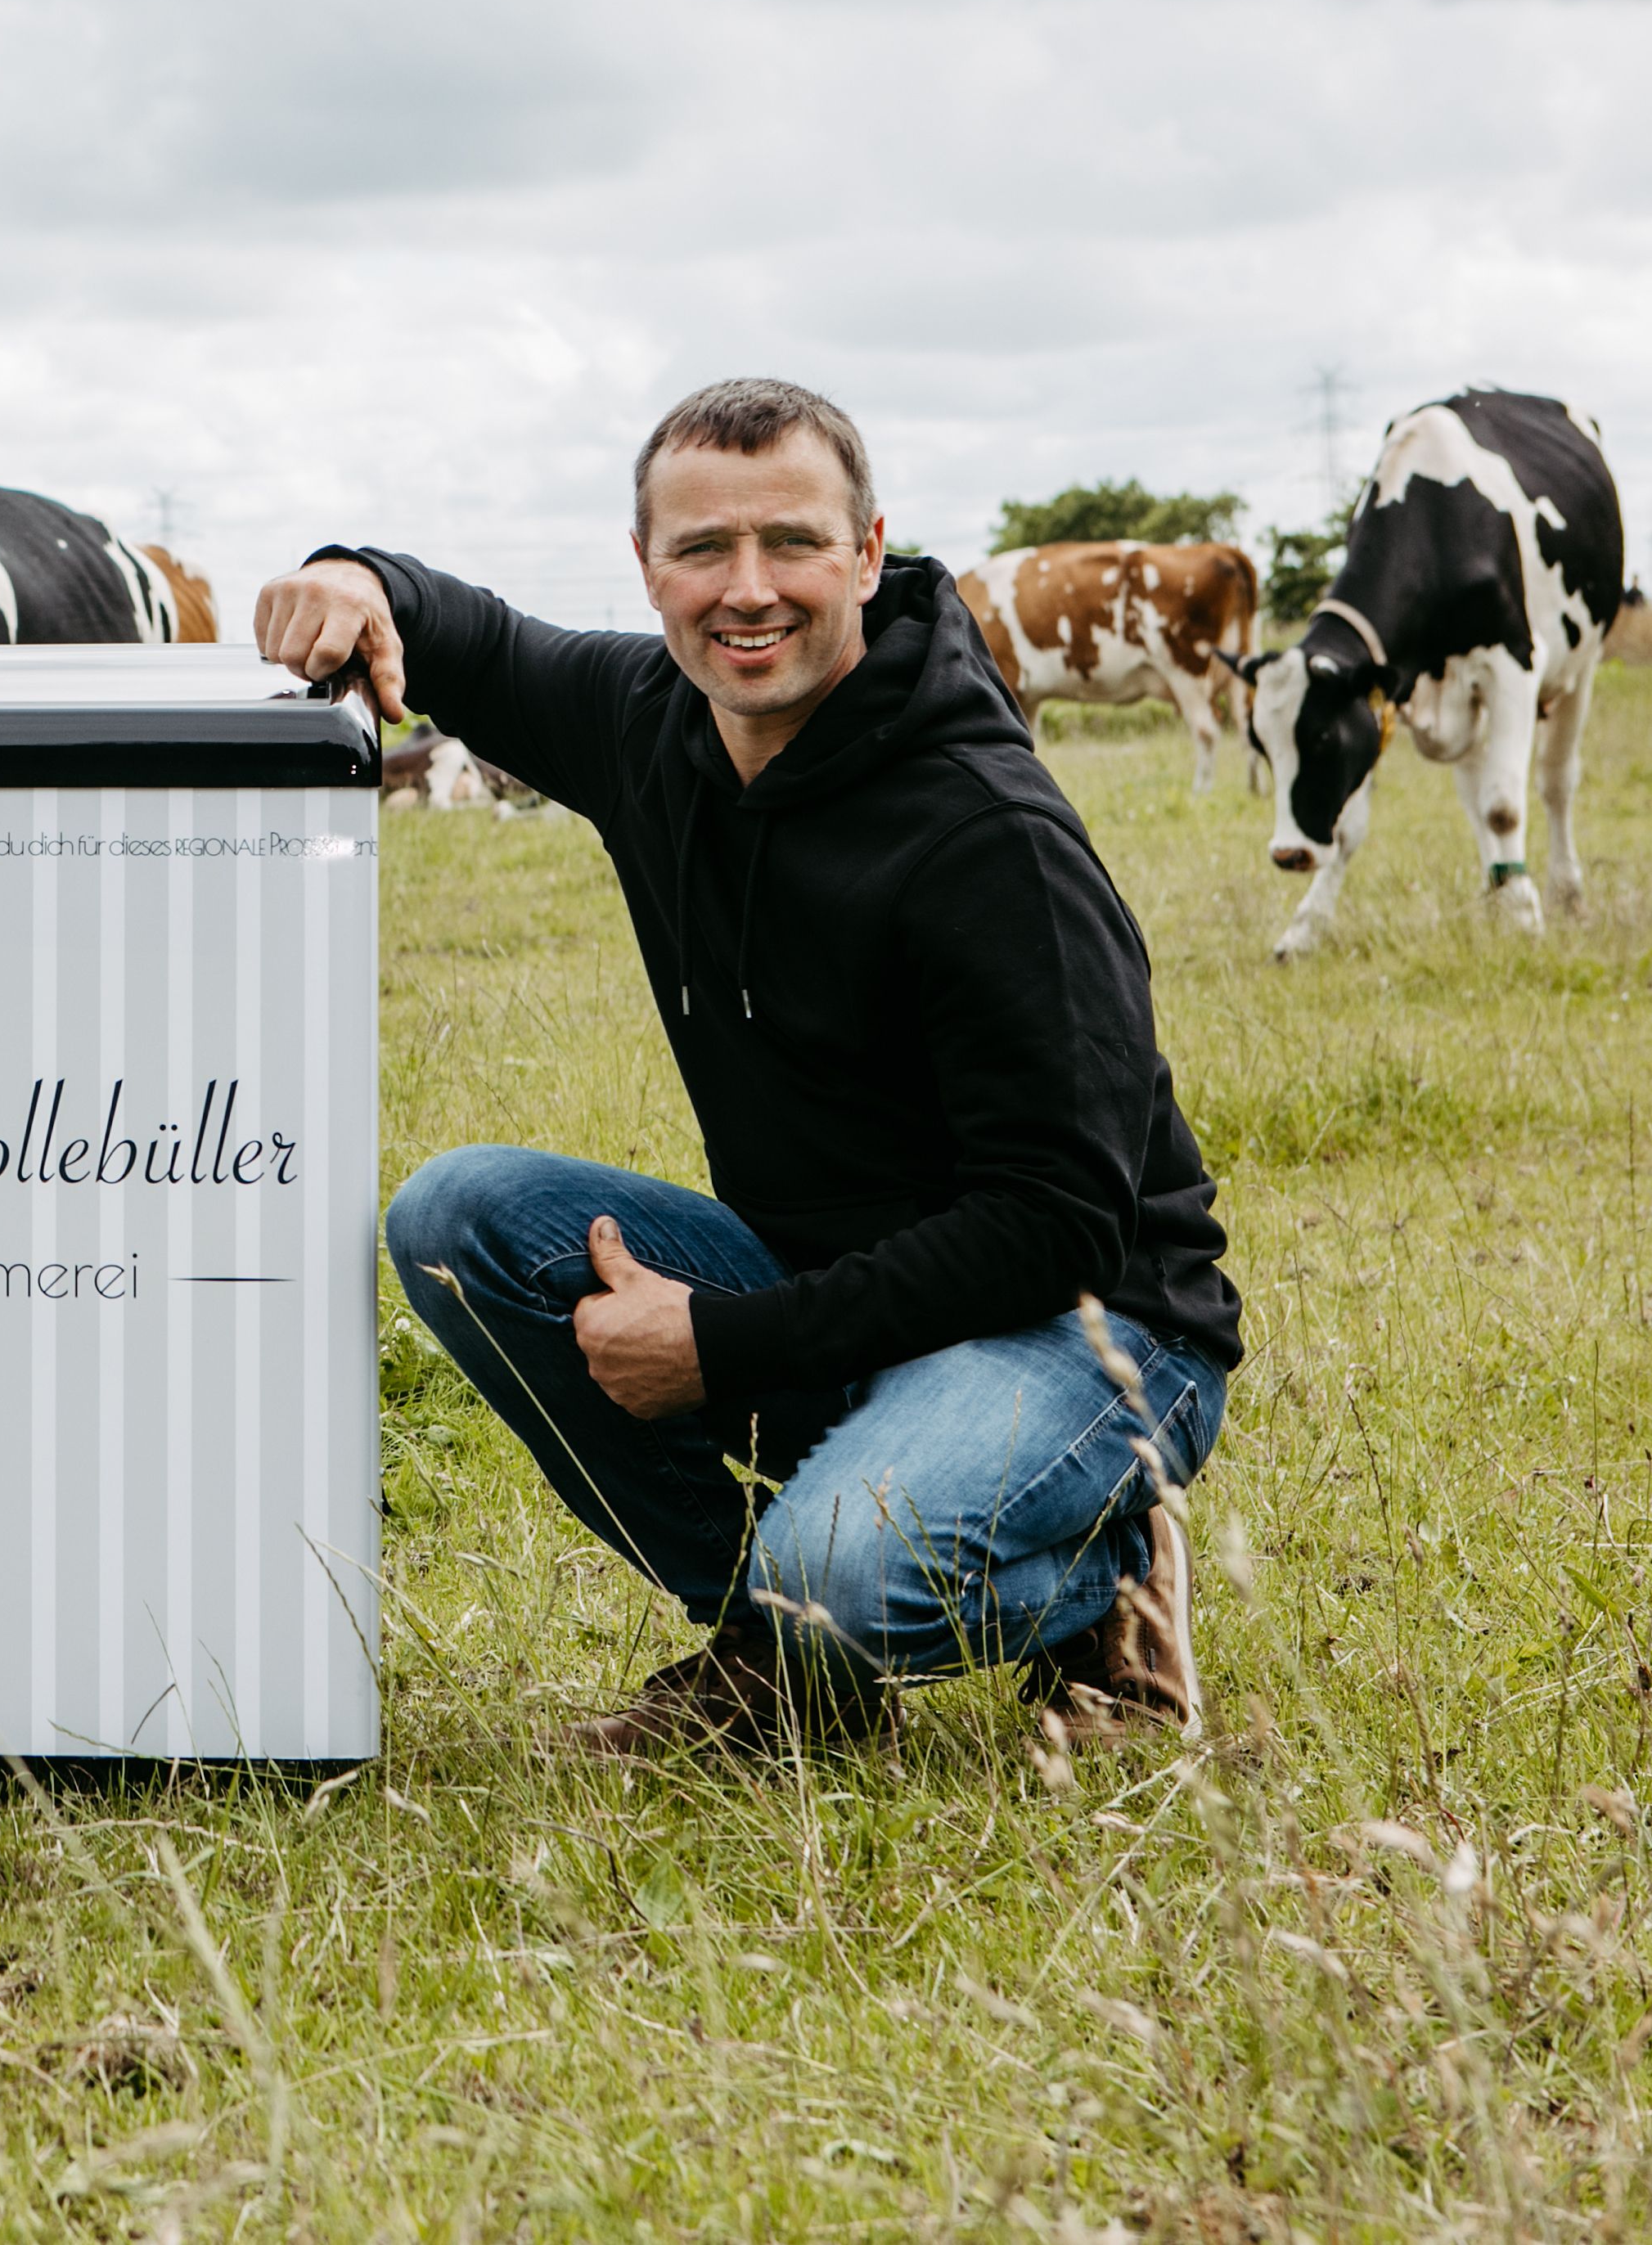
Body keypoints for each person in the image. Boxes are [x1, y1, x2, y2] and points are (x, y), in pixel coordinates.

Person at [258, 379, 1238, 1752]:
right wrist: (353, 577)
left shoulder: (989, 835)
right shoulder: (647, 721)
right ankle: (779, 1662)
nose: (749, 588)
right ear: (649, 566)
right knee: (449, 1219)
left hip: (1093, 1333)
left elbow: (1059, 1224)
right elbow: (471, 639)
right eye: (703, 548)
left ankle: (1103, 1584)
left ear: (869, 550)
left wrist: (718, 1345)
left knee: (839, 1566)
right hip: (845, 1301)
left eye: (792, 541)